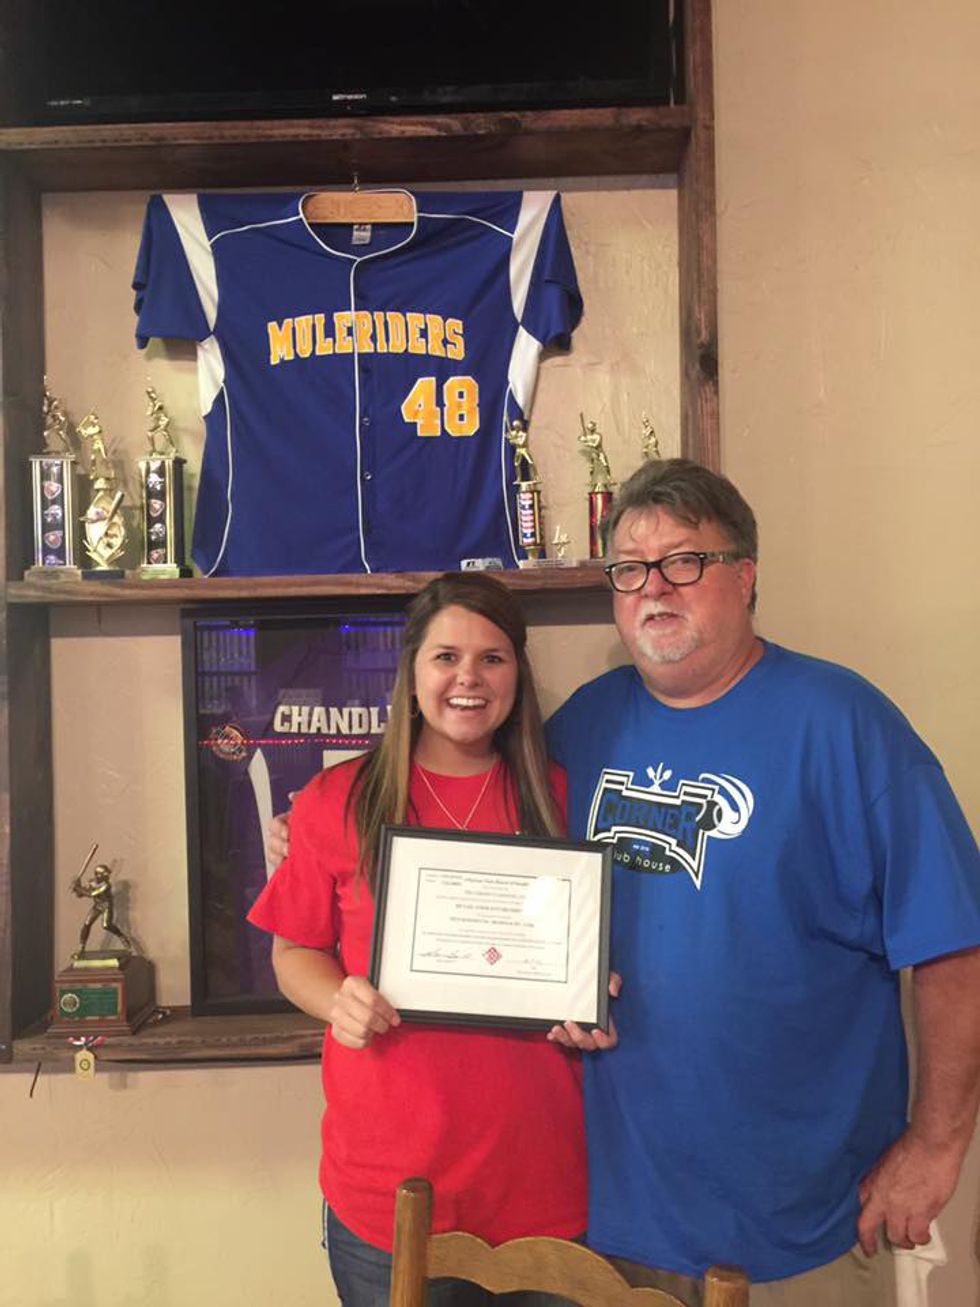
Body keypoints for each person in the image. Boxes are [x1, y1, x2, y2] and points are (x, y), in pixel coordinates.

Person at [545, 457, 980, 1305]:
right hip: (616, 1225)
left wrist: (936, 1145)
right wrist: (319, 824)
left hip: (803, 1226)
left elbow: (954, 943)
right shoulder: (581, 726)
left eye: (683, 561)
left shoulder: (846, 723)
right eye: (629, 569)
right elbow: (483, 854)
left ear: (744, 575)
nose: (653, 587)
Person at [249, 572, 608, 1307]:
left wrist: (596, 990)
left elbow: (609, 950)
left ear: (517, 675)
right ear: (411, 674)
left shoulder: (567, 795)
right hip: (389, 1194)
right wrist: (338, 1000)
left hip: (545, 1183)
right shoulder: (336, 799)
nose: (468, 677)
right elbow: (293, 951)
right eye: (446, 656)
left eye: (492, 658)